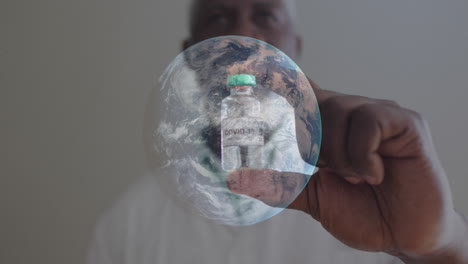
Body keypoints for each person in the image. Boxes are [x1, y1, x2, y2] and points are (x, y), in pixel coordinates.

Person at [87, 0, 468, 263]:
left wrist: (441, 248)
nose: (242, 36)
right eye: (218, 16)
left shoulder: (372, 193)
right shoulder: (129, 226)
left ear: (294, 49)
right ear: (190, 55)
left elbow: (437, 251)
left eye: (266, 15)